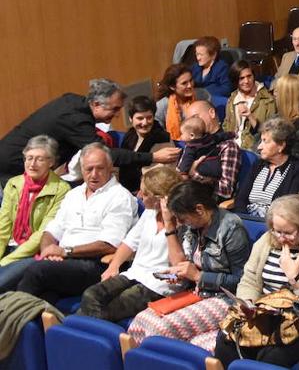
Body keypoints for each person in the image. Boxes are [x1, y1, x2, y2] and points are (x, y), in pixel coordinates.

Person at [212, 195, 299, 367]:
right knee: (226, 342)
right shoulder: (268, 240)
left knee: (270, 356)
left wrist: (296, 279)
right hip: (262, 312)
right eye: (277, 231)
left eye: (288, 233)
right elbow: (250, 280)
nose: (281, 238)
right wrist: (247, 304)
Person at [125, 179, 252, 351]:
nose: (182, 223)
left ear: (199, 209)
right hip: (196, 292)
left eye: (183, 219)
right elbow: (186, 263)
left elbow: (242, 282)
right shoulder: (194, 226)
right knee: (141, 321)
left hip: (225, 299)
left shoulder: (231, 229)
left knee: (161, 330)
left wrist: (199, 276)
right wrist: (181, 272)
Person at [14, 143, 137, 303]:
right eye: (88, 169)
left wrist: (65, 252)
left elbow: (110, 244)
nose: (94, 174)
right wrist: (49, 252)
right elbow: (52, 230)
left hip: (96, 264)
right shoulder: (74, 194)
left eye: (99, 168)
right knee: (43, 295)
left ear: (110, 167)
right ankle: (27, 322)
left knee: (37, 271)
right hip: (65, 263)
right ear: (82, 169)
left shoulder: (120, 197)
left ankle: (10, 317)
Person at [78, 165, 187, 321]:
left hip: (159, 285)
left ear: (159, 199)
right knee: (91, 295)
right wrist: (114, 266)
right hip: (135, 273)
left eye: (145, 193)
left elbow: (179, 267)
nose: (139, 195)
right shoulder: (149, 214)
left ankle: (82, 334)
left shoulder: (184, 224)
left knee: (107, 308)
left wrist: (169, 225)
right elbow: (129, 243)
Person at [0, 136, 70, 292]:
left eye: (39, 159)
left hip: (32, 252)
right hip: (8, 246)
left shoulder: (61, 189)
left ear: (51, 162)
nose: (32, 164)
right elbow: (2, 226)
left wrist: (6, 261)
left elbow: (43, 233)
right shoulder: (14, 183)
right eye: (29, 158)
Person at [231, 118, 299, 218]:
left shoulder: (297, 168)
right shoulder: (258, 165)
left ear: (281, 145)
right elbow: (241, 199)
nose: (259, 147)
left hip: (275, 223)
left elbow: (287, 206)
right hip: (247, 219)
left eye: (265, 141)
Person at [179, 100, 241, 199]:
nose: (191, 124)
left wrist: (194, 175)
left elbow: (226, 190)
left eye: (195, 117)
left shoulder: (227, 146)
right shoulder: (191, 145)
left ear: (212, 113)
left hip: (209, 203)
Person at [118, 96, 174, 192]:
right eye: (140, 118)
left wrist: (144, 190)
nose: (145, 123)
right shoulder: (129, 135)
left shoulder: (162, 138)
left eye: (149, 118)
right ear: (131, 119)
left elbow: (164, 173)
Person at [222, 59, 276, 150]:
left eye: (249, 76)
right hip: (231, 145)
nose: (246, 81)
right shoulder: (233, 98)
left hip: (252, 148)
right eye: (241, 78)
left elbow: (270, 133)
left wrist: (250, 117)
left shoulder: (267, 100)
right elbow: (226, 125)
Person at [154, 64, 212, 140]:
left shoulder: (202, 96)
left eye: (191, 80)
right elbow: (157, 134)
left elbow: (210, 124)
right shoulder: (162, 106)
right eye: (184, 83)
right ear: (172, 87)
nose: (190, 86)